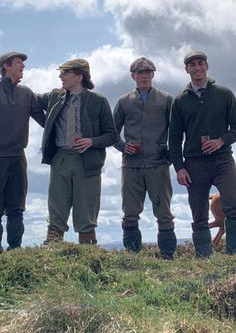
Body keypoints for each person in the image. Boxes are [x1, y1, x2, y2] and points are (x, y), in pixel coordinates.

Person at [38, 58, 117, 245]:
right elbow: (29, 100)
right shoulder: (54, 97)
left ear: (79, 76)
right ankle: (50, 262)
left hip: (87, 163)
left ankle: (88, 263)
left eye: (65, 73)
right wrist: (47, 125)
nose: (60, 76)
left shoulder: (99, 101)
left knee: (86, 215)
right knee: (56, 212)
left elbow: (112, 135)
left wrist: (92, 141)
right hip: (60, 160)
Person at [169, 50, 236, 257]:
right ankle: (204, 256)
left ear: (207, 66)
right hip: (194, 163)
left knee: (233, 203)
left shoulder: (224, 94)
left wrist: (220, 140)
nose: (197, 68)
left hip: (223, 158)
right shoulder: (180, 101)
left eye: (200, 63)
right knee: (198, 211)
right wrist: (179, 168)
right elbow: (174, 139)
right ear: (186, 69)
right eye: (192, 65)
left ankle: (233, 254)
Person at [113, 57, 177, 259]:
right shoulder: (124, 102)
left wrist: (170, 156)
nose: (144, 76)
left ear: (153, 75)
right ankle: (133, 256)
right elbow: (111, 133)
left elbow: (176, 131)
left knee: (164, 212)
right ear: (133, 76)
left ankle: (167, 255)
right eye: (140, 73)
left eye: (148, 72)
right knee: (130, 212)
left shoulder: (167, 100)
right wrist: (123, 147)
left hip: (158, 164)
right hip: (131, 165)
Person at [0, 51, 45, 252]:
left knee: (17, 208)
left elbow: (44, 120)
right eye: (19, 63)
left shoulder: (26, 94)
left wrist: (65, 138)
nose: (23, 67)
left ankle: (15, 251)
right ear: (6, 66)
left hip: (18, 157)